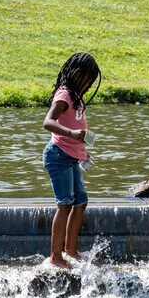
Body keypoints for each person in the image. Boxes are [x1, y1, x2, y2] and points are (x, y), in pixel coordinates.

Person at [42, 52, 102, 270]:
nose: (87, 84)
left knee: (81, 201)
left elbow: (78, 131)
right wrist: (72, 134)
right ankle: (55, 256)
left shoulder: (76, 96)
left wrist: (83, 150)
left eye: (90, 82)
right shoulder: (65, 95)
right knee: (65, 203)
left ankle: (71, 250)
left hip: (71, 156)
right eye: (86, 79)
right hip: (57, 156)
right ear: (75, 73)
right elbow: (48, 122)